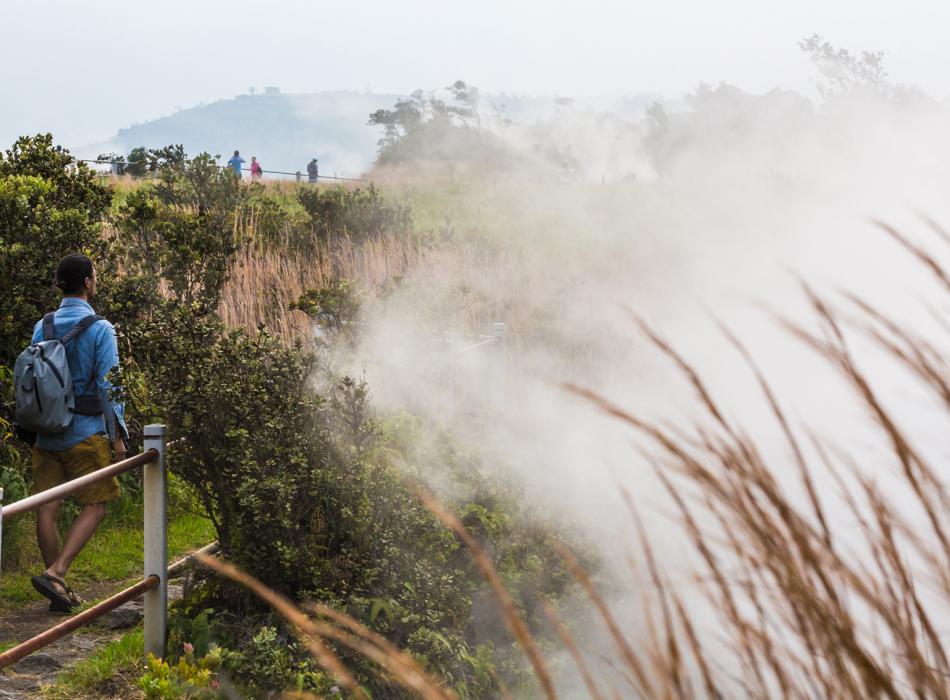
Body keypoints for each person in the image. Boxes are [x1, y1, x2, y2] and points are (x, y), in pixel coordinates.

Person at [29, 254, 128, 613]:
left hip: (45, 433)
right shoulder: (101, 328)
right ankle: (57, 572)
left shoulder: (43, 326)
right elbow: (109, 388)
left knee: (47, 507)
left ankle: (56, 587)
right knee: (96, 505)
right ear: (87, 282)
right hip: (84, 433)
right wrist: (117, 438)